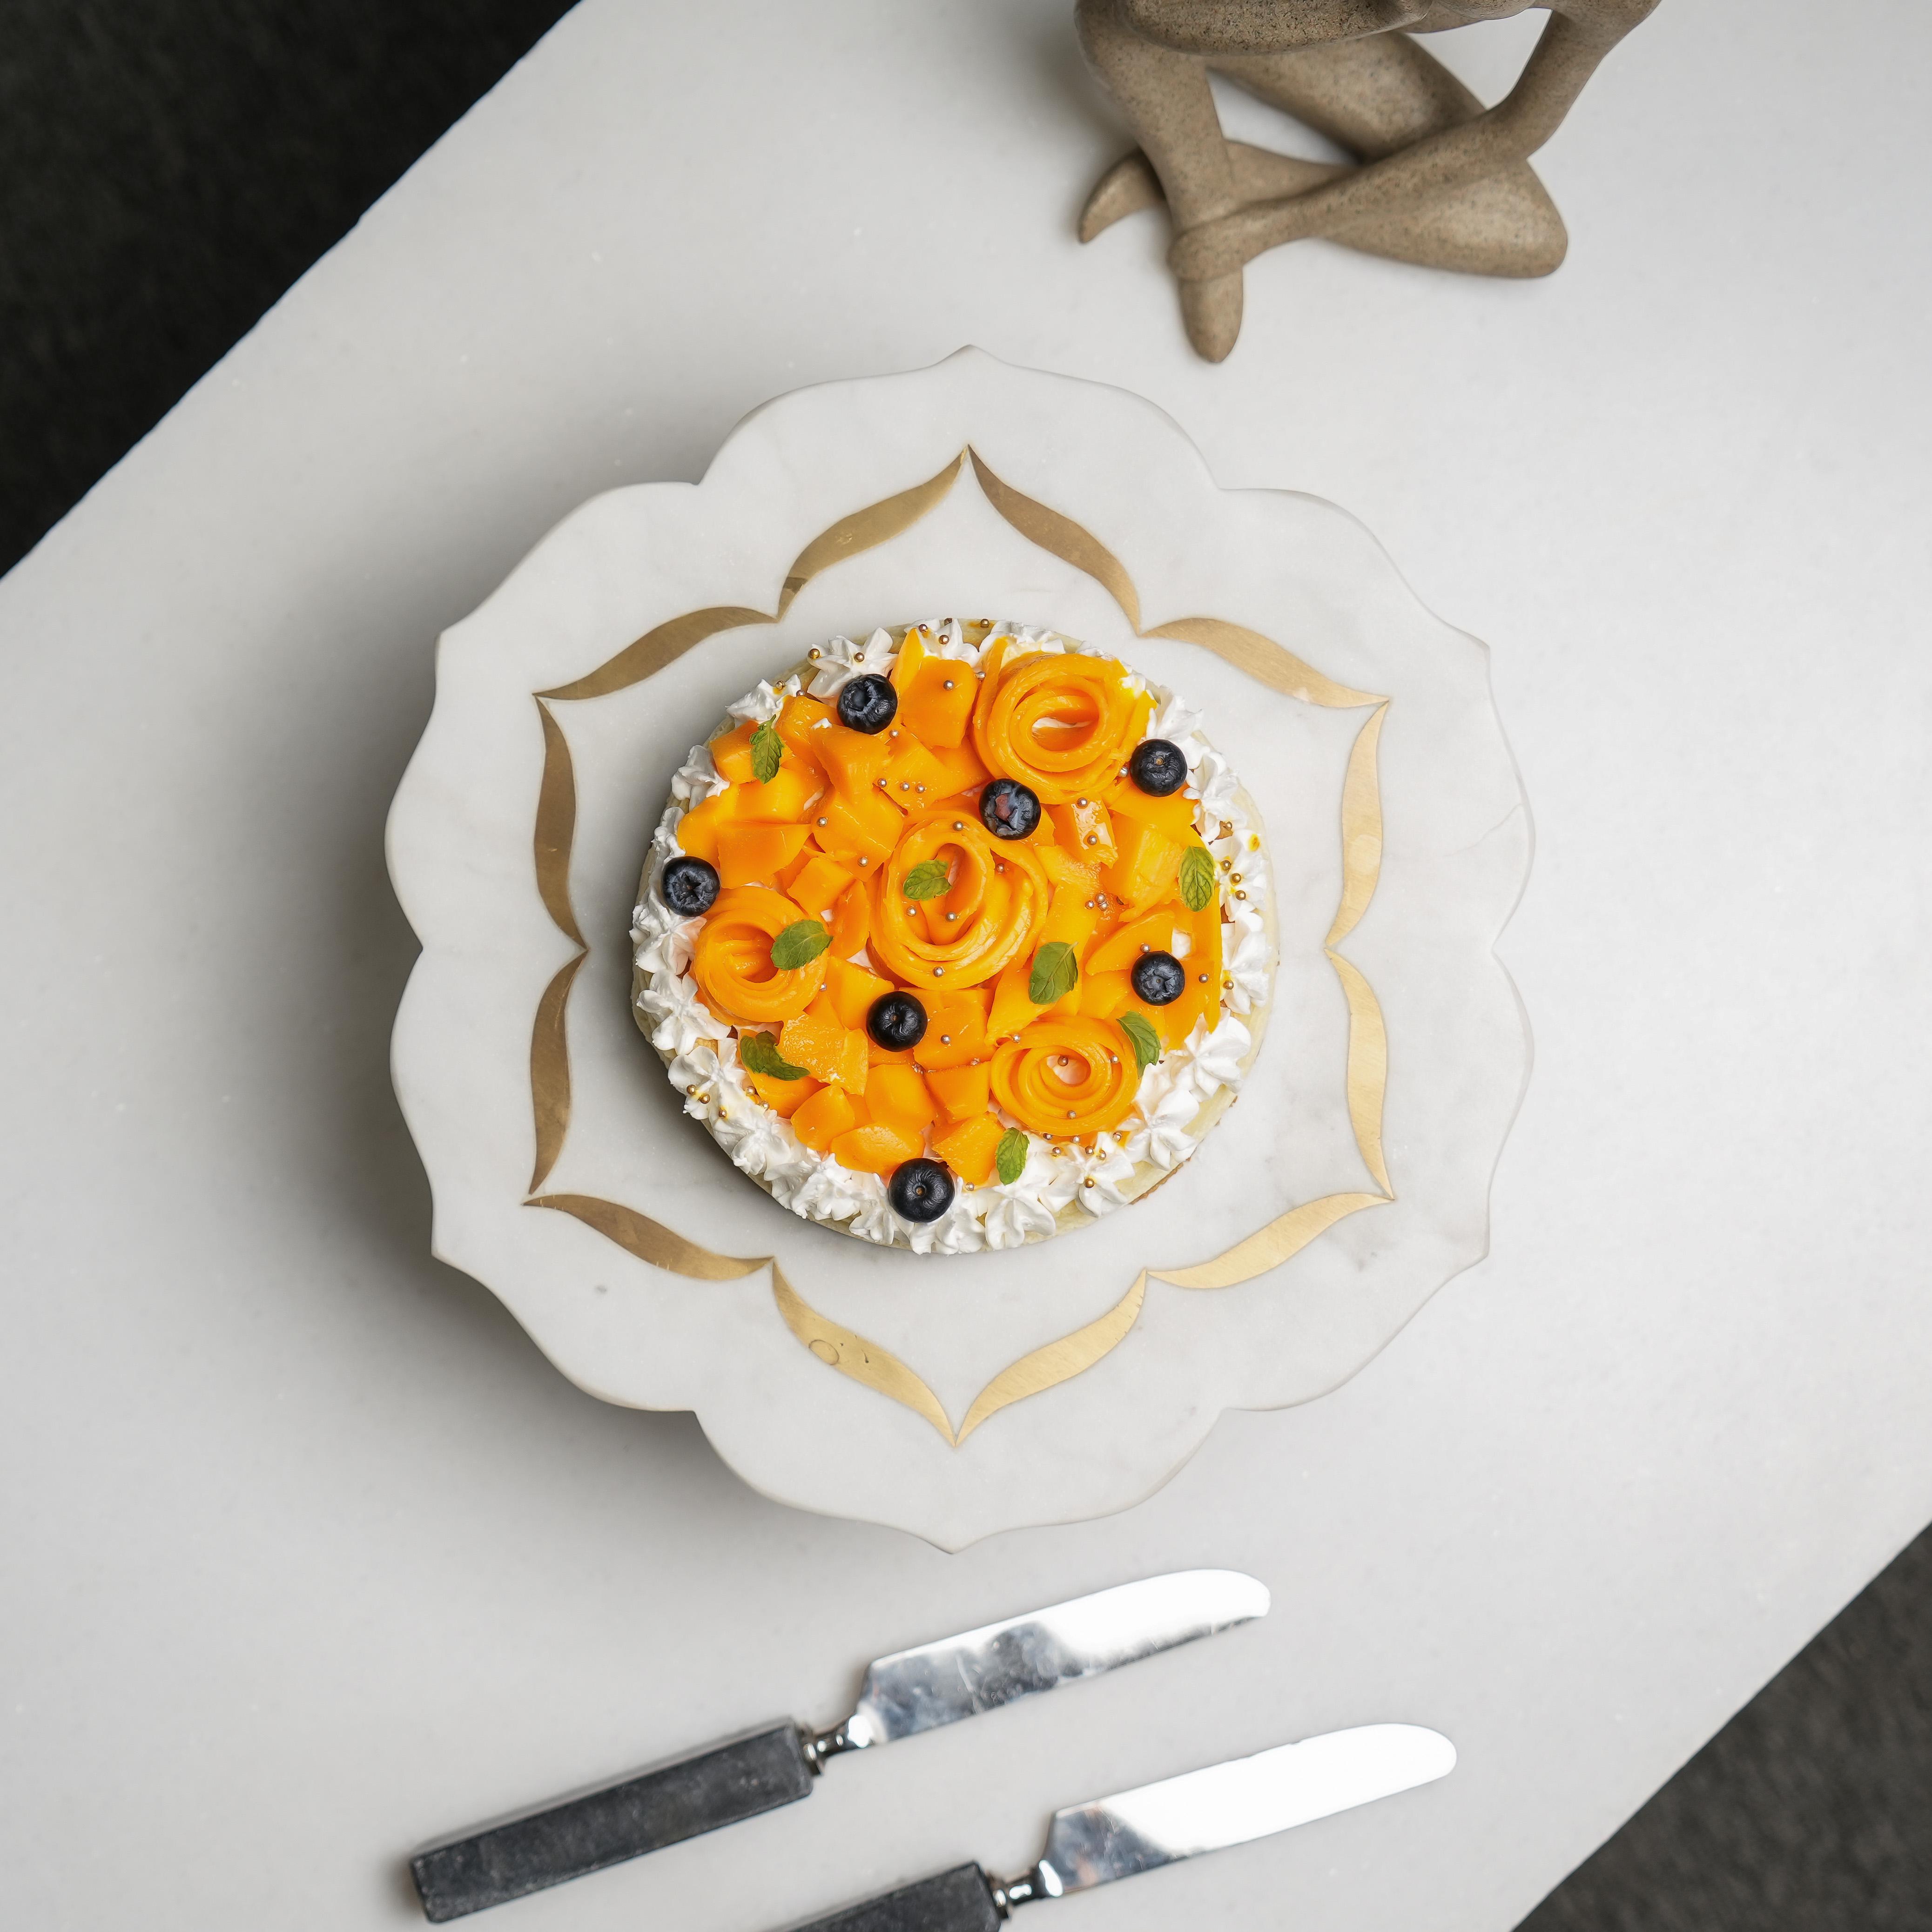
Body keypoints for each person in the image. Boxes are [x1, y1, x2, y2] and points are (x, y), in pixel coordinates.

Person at [1077, 0, 1659, 358]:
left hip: (1349, 37)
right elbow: (1149, 11)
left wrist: (1275, 226)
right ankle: (1199, 193)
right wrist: (1378, 8)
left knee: (1529, 237)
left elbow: (1514, 131)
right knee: (1114, 22)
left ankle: (1214, 171)